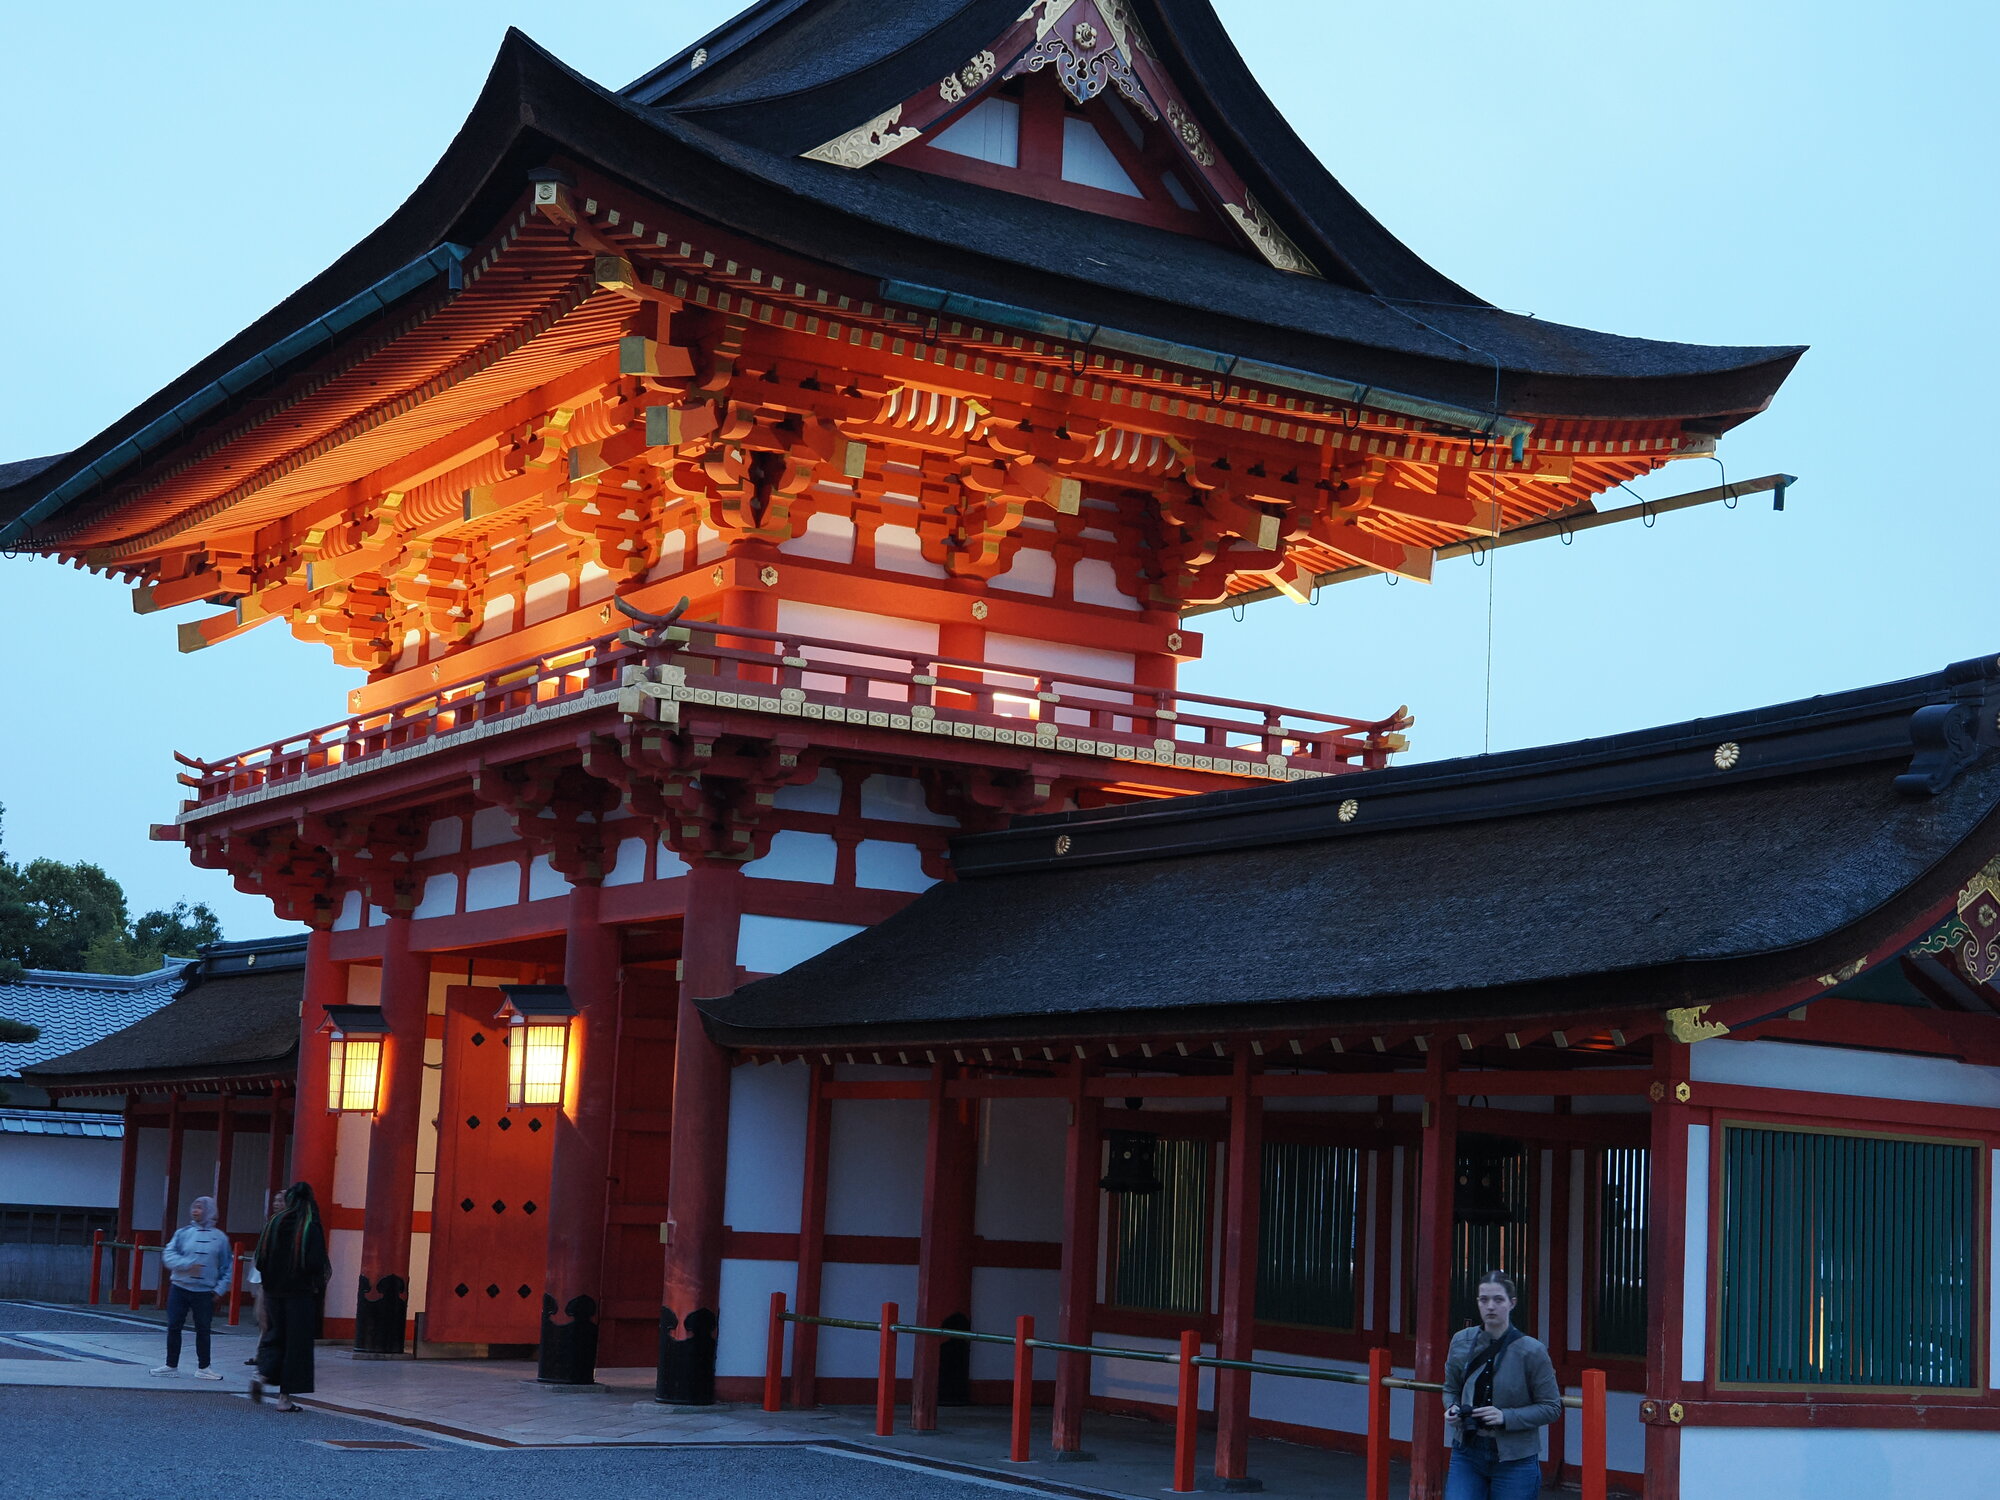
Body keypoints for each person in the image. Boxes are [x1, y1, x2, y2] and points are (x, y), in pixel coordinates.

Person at [1442, 1270, 1562, 1500]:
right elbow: (1450, 1388)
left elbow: (1551, 1407)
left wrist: (1505, 1417)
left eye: (1498, 1300)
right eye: (1484, 1299)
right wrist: (1452, 1408)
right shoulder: (1461, 1341)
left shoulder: (1532, 1351)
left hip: (1515, 1457)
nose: (1490, 1307)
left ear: (1512, 1303)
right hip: (1467, 1450)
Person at [248, 1180, 330, 1413]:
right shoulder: (309, 1225)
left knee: (275, 1335)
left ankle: (261, 1373)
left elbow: (261, 1260)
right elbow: (316, 1263)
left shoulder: (274, 1223)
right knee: (297, 1346)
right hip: (300, 1295)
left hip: (274, 1292)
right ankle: (284, 1399)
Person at [149, 1195, 232, 1380]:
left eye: (200, 1207)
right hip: (179, 1287)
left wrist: (219, 1289)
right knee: (173, 1326)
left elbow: (227, 1267)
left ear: (210, 1211)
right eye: (194, 1206)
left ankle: (204, 1367)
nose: (195, 1210)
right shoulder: (183, 1233)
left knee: (203, 1328)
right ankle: (171, 1365)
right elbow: (168, 1255)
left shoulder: (220, 1238)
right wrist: (186, 1264)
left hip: (204, 1291)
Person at [242, 1188, 286, 1365]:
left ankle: (269, 1354)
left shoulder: (289, 1225)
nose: (276, 1204)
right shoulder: (272, 1222)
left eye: (281, 1200)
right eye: (275, 1200)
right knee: (262, 1317)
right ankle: (262, 1353)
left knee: (273, 1319)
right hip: (265, 1278)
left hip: (279, 1281)